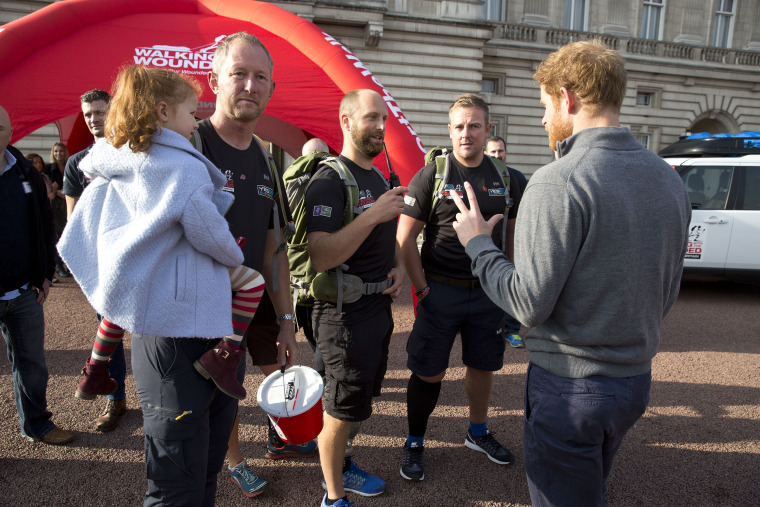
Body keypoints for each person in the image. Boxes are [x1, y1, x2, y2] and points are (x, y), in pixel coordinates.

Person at [449, 40, 691, 506]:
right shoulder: (667, 177)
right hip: (634, 382)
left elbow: (527, 304)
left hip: (571, 388)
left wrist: (477, 243)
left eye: (544, 105)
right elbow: (668, 289)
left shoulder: (558, 179)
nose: (543, 119)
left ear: (568, 98)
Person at [57, 66, 246, 506]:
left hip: (160, 325)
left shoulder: (119, 162)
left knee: (180, 474)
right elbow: (207, 232)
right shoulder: (179, 168)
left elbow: (87, 229)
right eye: (189, 111)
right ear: (163, 111)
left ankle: (96, 366)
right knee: (185, 478)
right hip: (187, 327)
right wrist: (235, 255)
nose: (196, 120)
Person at [195, 31, 305, 499]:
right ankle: (234, 460)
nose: (249, 85)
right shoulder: (192, 143)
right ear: (214, 80)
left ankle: (281, 437)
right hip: (207, 300)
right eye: (238, 73)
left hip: (256, 291)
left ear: (271, 89)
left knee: (280, 370)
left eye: (260, 77)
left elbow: (273, 248)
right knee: (226, 385)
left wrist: (285, 320)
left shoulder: (264, 155)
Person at [396, 93, 520, 482]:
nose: (467, 133)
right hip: (440, 291)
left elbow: (511, 239)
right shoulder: (433, 173)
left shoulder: (508, 177)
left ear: (487, 130)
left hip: (489, 291)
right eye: (459, 126)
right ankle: (415, 441)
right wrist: (422, 289)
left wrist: (510, 284)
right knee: (428, 373)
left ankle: (477, 432)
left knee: (483, 366)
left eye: (474, 126)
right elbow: (404, 239)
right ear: (450, 130)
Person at [306, 88, 407, 507]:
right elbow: (320, 254)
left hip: (375, 311)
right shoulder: (329, 180)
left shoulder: (379, 176)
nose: (381, 127)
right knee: (339, 407)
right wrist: (373, 215)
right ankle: (333, 496)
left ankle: (344, 465)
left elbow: (386, 237)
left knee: (356, 402)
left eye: (383, 118)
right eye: (371, 118)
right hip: (342, 317)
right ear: (346, 122)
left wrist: (399, 264)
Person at [0, 105, 74, 446]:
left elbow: (45, 226)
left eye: (1, 127)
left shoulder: (25, 173)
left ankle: (38, 425)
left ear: (10, 130)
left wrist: (45, 275)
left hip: (24, 293)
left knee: (32, 365)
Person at [62, 88, 128, 433]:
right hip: (103, 264)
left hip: (137, 255)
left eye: (100, 112)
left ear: (112, 111)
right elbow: (74, 221)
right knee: (110, 330)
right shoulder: (77, 163)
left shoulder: (133, 150)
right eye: (88, 114)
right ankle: (114, 397)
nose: (94, 119)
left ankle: (165, 394)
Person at [483, 135, 526, 349]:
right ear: (485, 153)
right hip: (485, 243)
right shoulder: (478, 177)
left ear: (505, 153)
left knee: (512, 286)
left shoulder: (516, 178)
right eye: (493, 151)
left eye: (500, 151)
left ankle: (512, 330)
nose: (497, 155)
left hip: (509, 242)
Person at [295, 136, 330, 377]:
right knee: (326, 333)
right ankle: (326, 380)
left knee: (310, 328)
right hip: (328, 272)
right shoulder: (333, 178)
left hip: (297, 275)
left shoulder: (291, 181)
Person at [47, 142, 69, 278]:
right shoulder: (49, 168)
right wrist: (55, 191)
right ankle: (58, 266)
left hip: (68, 203)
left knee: (66, 233)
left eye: (61, 151)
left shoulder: (70, 165)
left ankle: (66, 264)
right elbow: (46, 185)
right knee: (58, 234)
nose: (58, 154)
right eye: (55, 151)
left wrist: (64, 192)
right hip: (55, 205)